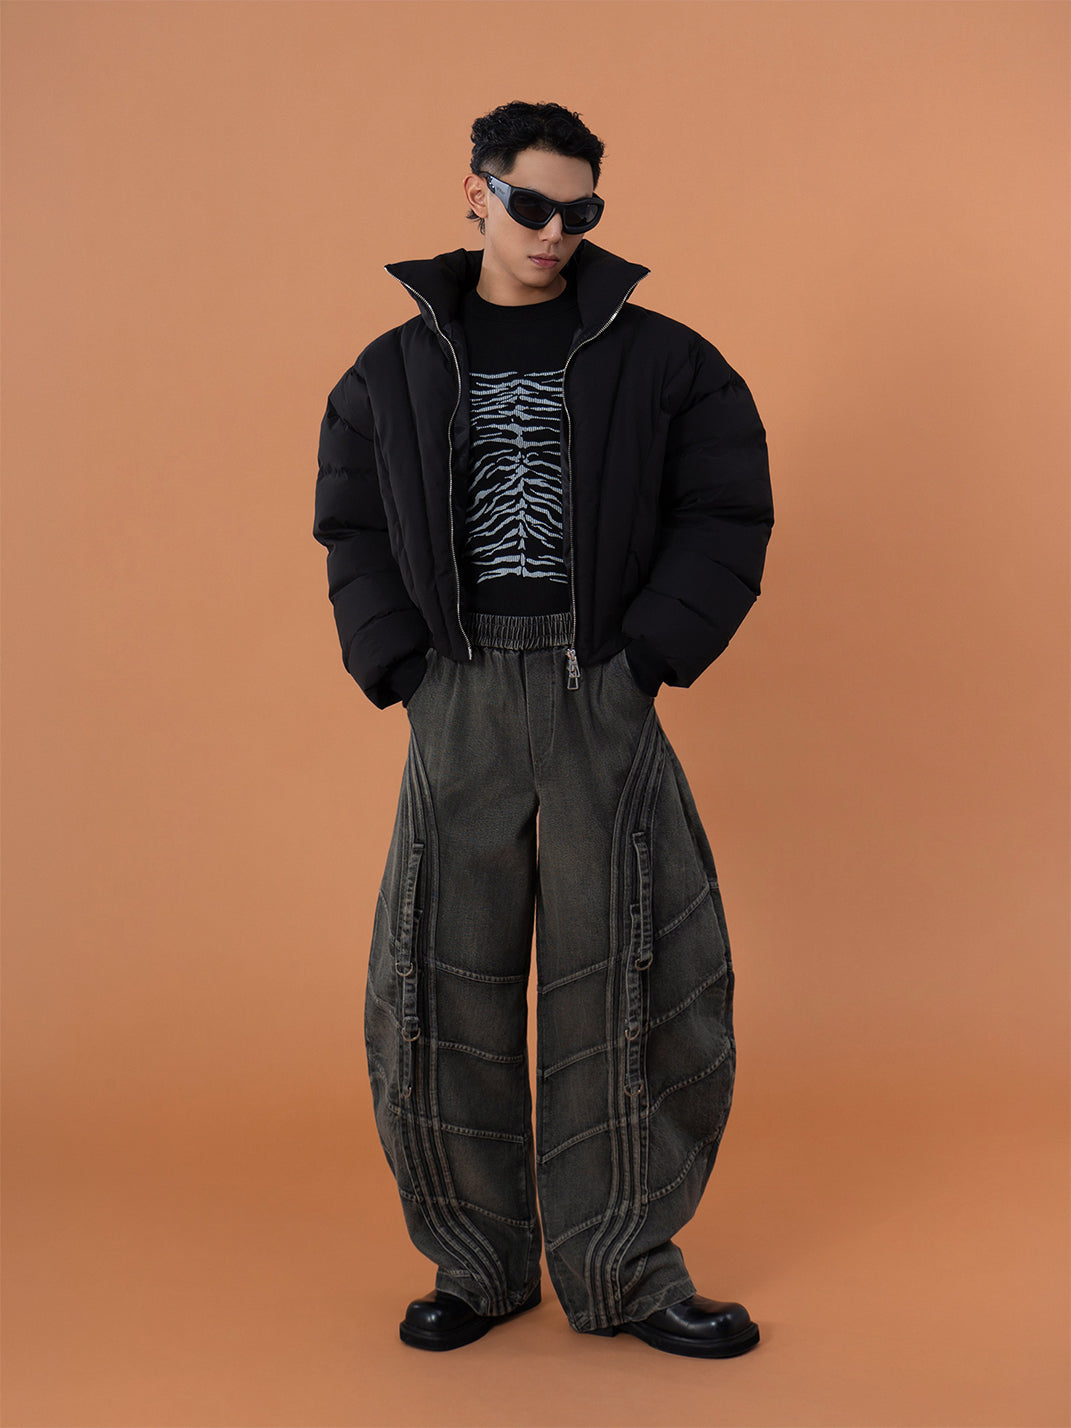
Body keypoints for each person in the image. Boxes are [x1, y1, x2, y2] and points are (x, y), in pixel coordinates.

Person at [313, 101, 773, 1359]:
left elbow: (728, 507)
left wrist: (647, 660)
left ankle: (625, 1267)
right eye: (532, 204)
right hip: (458, 689)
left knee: (634, 971)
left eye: (582, 211)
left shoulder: (665, 359)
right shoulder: (391, 370)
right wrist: (403, 670)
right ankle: (477, 1264)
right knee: (436, 976)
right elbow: (351, 525)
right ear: (476, 193)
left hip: (598, 685)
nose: (556, 231)